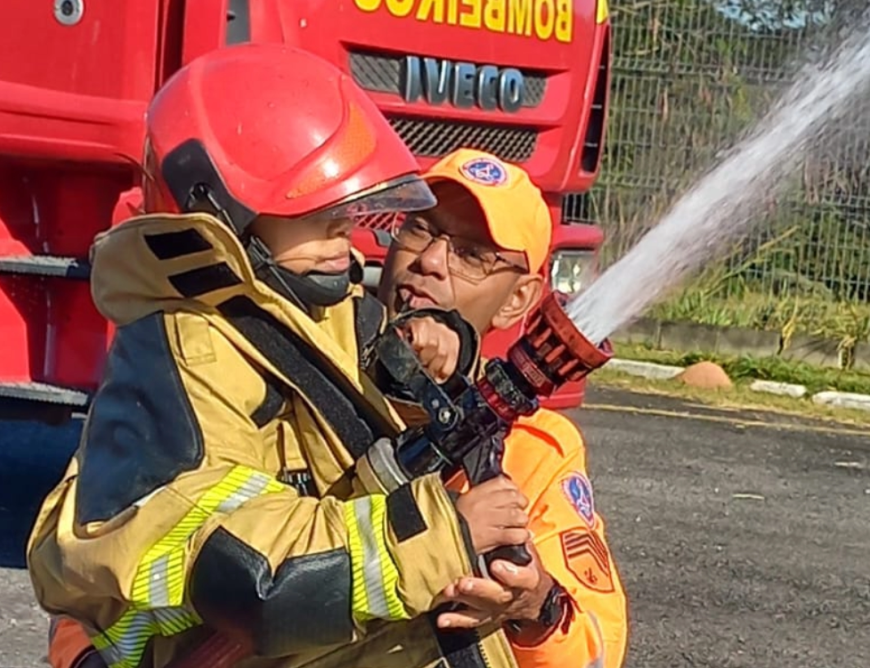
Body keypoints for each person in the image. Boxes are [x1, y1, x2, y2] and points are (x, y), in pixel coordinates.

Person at [28, 44, 530, 668]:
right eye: (318, 213)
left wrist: (435, 357)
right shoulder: (189, 350)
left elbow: (343, 431)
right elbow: (251, 581)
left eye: (346, 211)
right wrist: (446, 535)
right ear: (221, 209)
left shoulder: (310, 309)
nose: (344, 233)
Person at [376, 148, 630, 668]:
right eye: (420, 229)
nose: (428, 262)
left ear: (519, 300)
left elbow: (595, 650)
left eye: (471, 255)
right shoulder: (309, 365)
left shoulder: (537, 451)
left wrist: (534, 604)